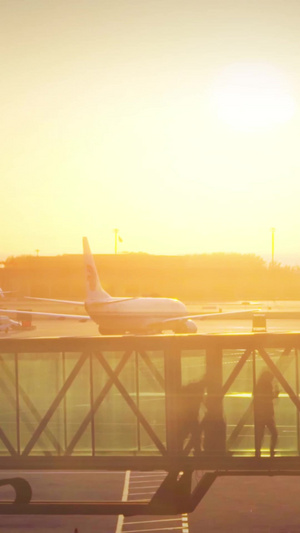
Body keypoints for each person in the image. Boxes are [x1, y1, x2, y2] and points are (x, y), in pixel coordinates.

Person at [253, 370, 279, 457]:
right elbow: (266, 399)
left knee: (260, 434)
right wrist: (274, 395)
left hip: (261, 414)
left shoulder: (259, 386)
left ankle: (258, 452)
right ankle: (271, 450)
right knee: (274, 433)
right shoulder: (266, 385)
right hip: (267, 413)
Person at [178, 377, 206, 455]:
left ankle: (187, 454)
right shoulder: (194, 400)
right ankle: (189, 454)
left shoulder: (190, 398)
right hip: (190, 419)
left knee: (195, 436)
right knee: (196, 436)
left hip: (189, 419)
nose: (202, 397)